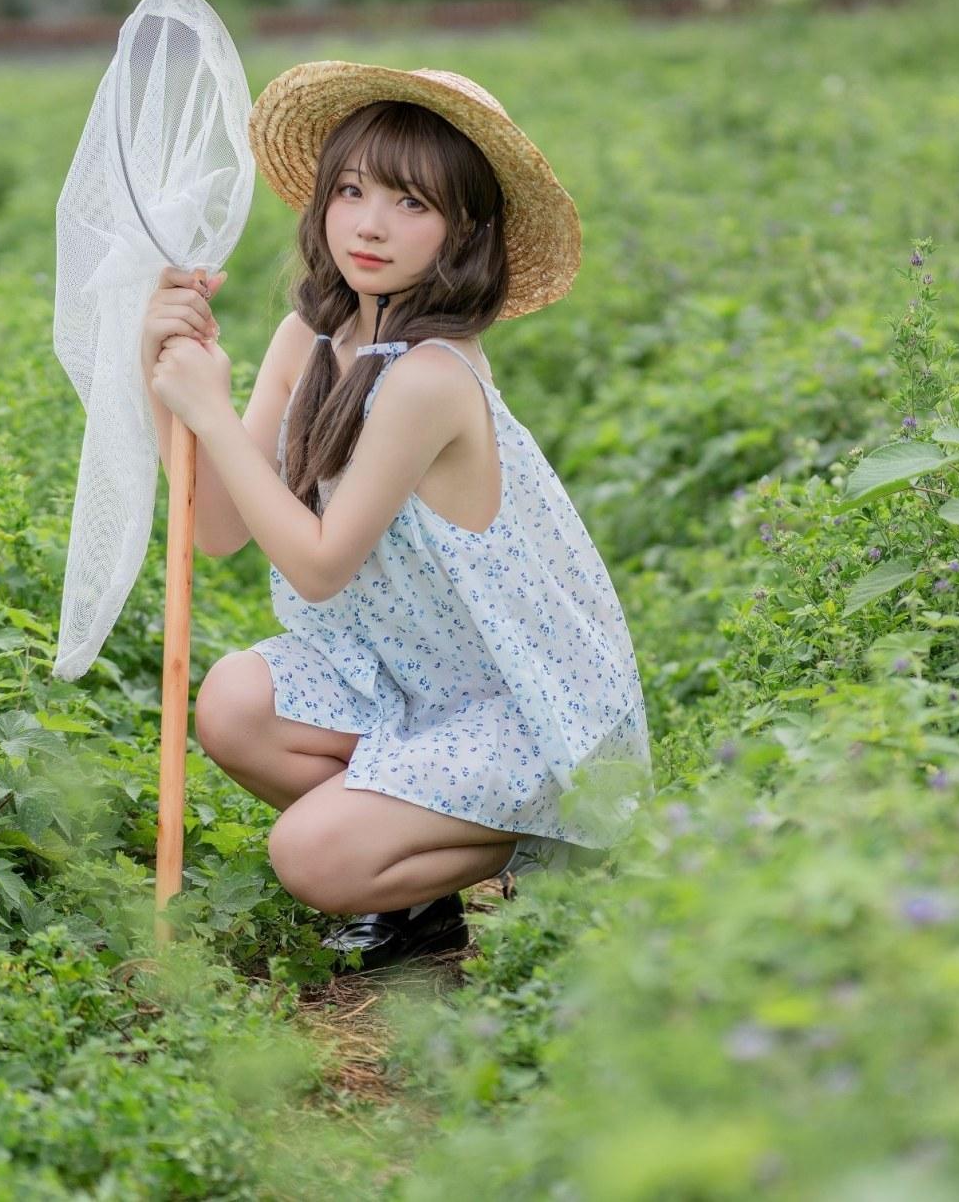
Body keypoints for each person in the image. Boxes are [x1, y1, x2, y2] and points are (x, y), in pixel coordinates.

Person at [141, 62, 652, 971]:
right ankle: (417, 903)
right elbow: (218, 528)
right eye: (351, 190)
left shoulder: (430, 378)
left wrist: (212, 412)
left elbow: (321, 565)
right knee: (230, 703)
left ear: (463, 232)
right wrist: (169, 385)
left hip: (512, 706)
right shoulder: (313, 336)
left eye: (412, 204)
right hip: (405, 685)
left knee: (309, 852)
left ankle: (565, 843)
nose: (370, 225)